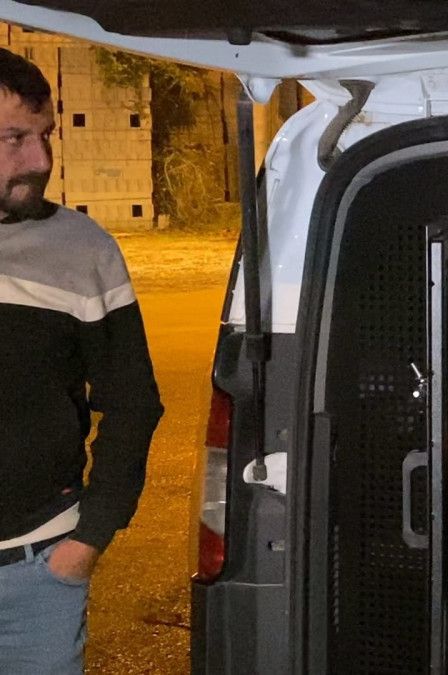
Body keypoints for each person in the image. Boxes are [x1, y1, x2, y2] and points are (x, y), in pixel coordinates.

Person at [0, 49, 163, 672]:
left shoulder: (83, 249)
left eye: (45, 136)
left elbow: (133, 402)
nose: (41, 161)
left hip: (35, 577)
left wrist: (90, 538)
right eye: (15, 139)